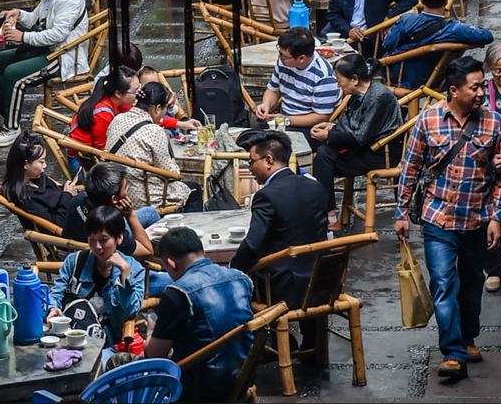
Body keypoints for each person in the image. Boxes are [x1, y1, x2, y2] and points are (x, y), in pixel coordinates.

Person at [394, 56, 501, 383]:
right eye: (475, 87)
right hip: (437, 219)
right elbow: (410, 168)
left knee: (471, 286)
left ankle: (468, 337)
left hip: (477, 220)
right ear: (453, 90)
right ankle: (453, 353)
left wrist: (497, 217)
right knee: (442, 284)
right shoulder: (428, 121)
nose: (481, 93)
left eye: (482, 86)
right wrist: (401, 212)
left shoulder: (494, 123)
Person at [231, 130, 329, 350]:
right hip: (321, 279)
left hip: (285, 287)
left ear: (268, 160)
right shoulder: (315, 185)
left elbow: (253, 244)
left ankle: (268, 341)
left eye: (251, 161)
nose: (250, 168)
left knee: (240, 278)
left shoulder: (267, 195)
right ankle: (311, 342)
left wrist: (233, 269)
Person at [0, 0, 89, 147]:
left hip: (62, 56)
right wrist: (18, 14)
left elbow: (58, 35)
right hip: (44, 50)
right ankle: (5, 115)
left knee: (13, 74)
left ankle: (11, 128)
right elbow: (35, 18)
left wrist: (23, 37)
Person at [143, 228, 254, 403]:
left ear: (171, 263)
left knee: (121, 363)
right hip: (243, 375)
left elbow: (155, 355)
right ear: (203, 252)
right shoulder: (241, 278)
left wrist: (150, 332)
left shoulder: (177, 294)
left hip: (201, 388)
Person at [311, 54, 403, 231]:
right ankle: (328, 215)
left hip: (379, 153)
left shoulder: (379, 96)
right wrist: (332, 127)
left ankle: (328, 217)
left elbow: (360, 137)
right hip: (364, 147)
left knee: (323, 159)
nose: (338, 84)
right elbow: (351, 123)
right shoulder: (358, 93)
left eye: (339, 80)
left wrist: (329, 135)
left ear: (354, 79)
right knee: (321, 153)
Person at [47, 205, 145, 347]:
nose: (97, 246)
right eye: (92, 240)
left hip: (108, 344)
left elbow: (131, 311)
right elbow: (55, 293)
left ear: (119, 237)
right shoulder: (74, 262)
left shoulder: (134, 269)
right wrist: (53, 308)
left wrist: (125, 272)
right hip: (71, 336)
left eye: (104, 240)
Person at [106, 82, 202, 212]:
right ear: (157, 108)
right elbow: (172, 174)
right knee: (194, 189)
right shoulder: (155, 131)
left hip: (117, 192)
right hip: (143, 197)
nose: (164, 113)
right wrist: (173, 164)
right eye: (165, 109)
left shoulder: (117, 119)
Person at [381, 0, 493, 88]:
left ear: (422, 0)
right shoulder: (454, 29)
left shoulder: (406, 20)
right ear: (446, 0)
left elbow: (387, 44)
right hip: (437, 80)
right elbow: (487, 36)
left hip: (400, 78)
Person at [255, 27, 342, 151]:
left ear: (301, 58)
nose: (280, 57)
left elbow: (321, 116)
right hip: (283, 121)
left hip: (309, 128)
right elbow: (273, 90)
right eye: (280, 53)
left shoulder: (323, 75)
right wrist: (266, 104)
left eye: (284, 56)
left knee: (270, 148)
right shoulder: (284, 62)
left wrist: (286, 120)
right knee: (250, 139)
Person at [63, 162, 155, 262]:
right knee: (151, 214)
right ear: (114, 199)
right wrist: (130, 215)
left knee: (150, 212)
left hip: (79, 244)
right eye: (125, 187)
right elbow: (147, 251)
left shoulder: (79, 199)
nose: (127, 189)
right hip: (99, 259)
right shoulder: (111, 227)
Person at [0, 130, 78, 227]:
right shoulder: (24, 197)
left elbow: (57, 193)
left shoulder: (37, 178)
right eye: (41, 162)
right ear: (26, 164)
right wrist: (68, 195)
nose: (45, 166)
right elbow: (57, 223)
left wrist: (70, 192)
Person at [70, 66, 139, 152]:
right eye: (135, 91)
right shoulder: (102, 115)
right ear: (118, 94)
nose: (139, 94)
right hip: (82, 155)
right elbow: (103, 149)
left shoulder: (114, 100)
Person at [483, 43, 501, 292]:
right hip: (491, 163)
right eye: (498, 70)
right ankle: (494, 269)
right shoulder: (484, 92)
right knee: (488, 217)